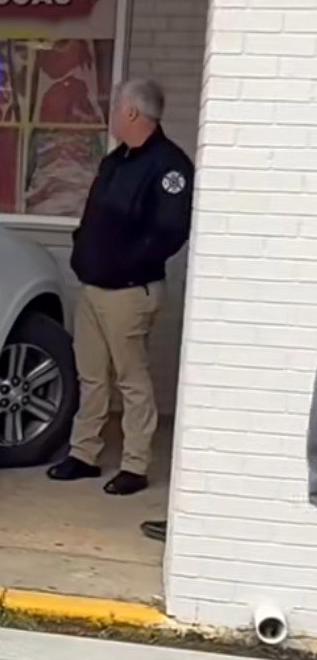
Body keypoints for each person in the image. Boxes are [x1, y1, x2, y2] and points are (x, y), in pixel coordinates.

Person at [48, 77, 194, 496]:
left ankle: (135, 464)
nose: (111, 116)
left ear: (132, 113)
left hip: (129, 292)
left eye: (115, 109)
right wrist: (84, 253)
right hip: (94, 288)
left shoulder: (170, 166)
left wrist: (125, 265)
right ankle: (84, 454)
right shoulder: (116, 162)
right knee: (91, 375)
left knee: (131, 379)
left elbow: (170, 231)